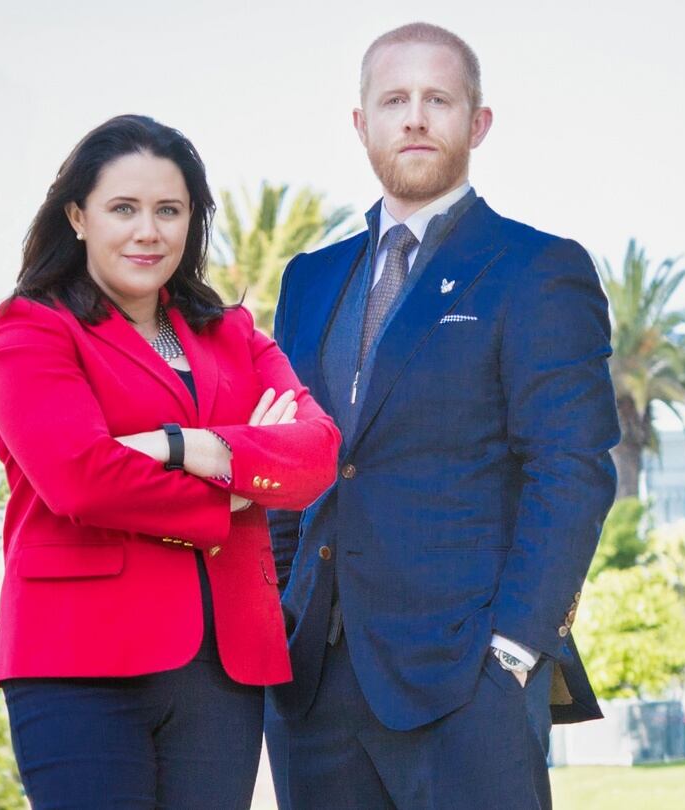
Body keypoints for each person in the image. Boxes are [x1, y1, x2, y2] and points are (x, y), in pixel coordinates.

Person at [264, 22, 619, 810]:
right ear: (362, 124)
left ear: (477, 122)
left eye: (439, 100)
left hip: (467, 684)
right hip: (313, 687)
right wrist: (279, 615)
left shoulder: (537, 268)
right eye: (394, 100)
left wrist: (514, 651)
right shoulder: (310, 279)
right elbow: (292, 463)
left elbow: (572, 470)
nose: (416, 118)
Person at [0, 114, 340, 809]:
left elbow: (316, 454)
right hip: (78, 659)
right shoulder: (32, 328)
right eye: (124, 208)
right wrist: (237, 489)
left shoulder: (233, 334)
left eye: (169, 210)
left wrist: (187, 446)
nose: (148, 231)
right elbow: (81, 480)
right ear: (78, 216)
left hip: (222, 663)